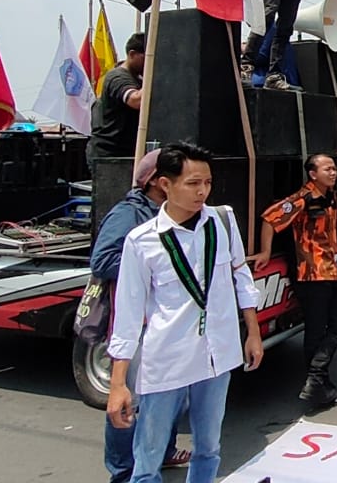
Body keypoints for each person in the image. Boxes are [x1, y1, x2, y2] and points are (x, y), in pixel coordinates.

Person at [105, 142, 263, 483]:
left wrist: (253, 333)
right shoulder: (141, 240)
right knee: (148, 458)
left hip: (217, 355)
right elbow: (128, 316)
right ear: (166, 184)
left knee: (208, 447)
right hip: (167, 359)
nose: (202, 191)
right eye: (193, 183)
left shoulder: (222, 221)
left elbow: (241, 276)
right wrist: (118, 384)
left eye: (207, 182)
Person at [91, 150, 189, 481]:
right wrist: (153, 261)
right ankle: (123, 471)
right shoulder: (128, 214)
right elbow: (102, 262)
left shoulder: (177, 215)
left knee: (171, 395)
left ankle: (163, 451)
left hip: (170, 325)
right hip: (138, 327)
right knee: (128, 404)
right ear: (157, 182)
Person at [258, 153, 337, 409]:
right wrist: (265, 252)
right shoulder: (302, 199)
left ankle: (316, 378)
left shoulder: (329, 195)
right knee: (316, 329)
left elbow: (336, 217)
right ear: (312, 174)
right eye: (327, 169)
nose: (333, 173)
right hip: (309, 275)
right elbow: (269, 218)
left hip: (329, 271)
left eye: (334, 169)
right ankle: (319, 384)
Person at [88, 33, 145, 164]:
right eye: (146, 58)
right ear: (132, 54)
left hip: (126, 151)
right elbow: (136, 101)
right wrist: (156, 72)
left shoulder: (138, 78)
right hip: (109, 154)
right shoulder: (117, 77)